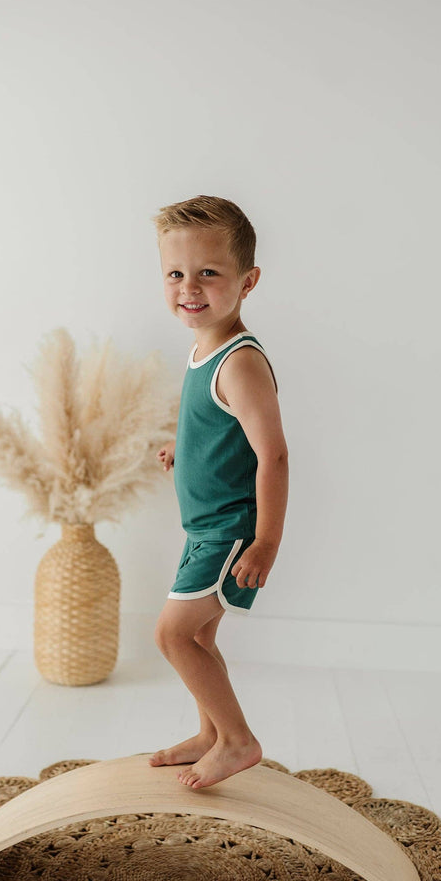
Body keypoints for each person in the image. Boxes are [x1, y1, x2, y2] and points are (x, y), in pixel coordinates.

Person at [148, 195, 289, 789]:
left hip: (230, 531)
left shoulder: (239, 361)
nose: (189, 287)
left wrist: (265, 543)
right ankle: (210, 733)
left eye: (208, 272)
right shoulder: (204, 346)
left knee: (172, 634)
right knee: (200, 635)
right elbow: (219, 423)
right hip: (203, 527)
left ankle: (237, 740)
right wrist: (183, 449)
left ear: (247, 281)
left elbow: (273, 455)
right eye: (175, 273)